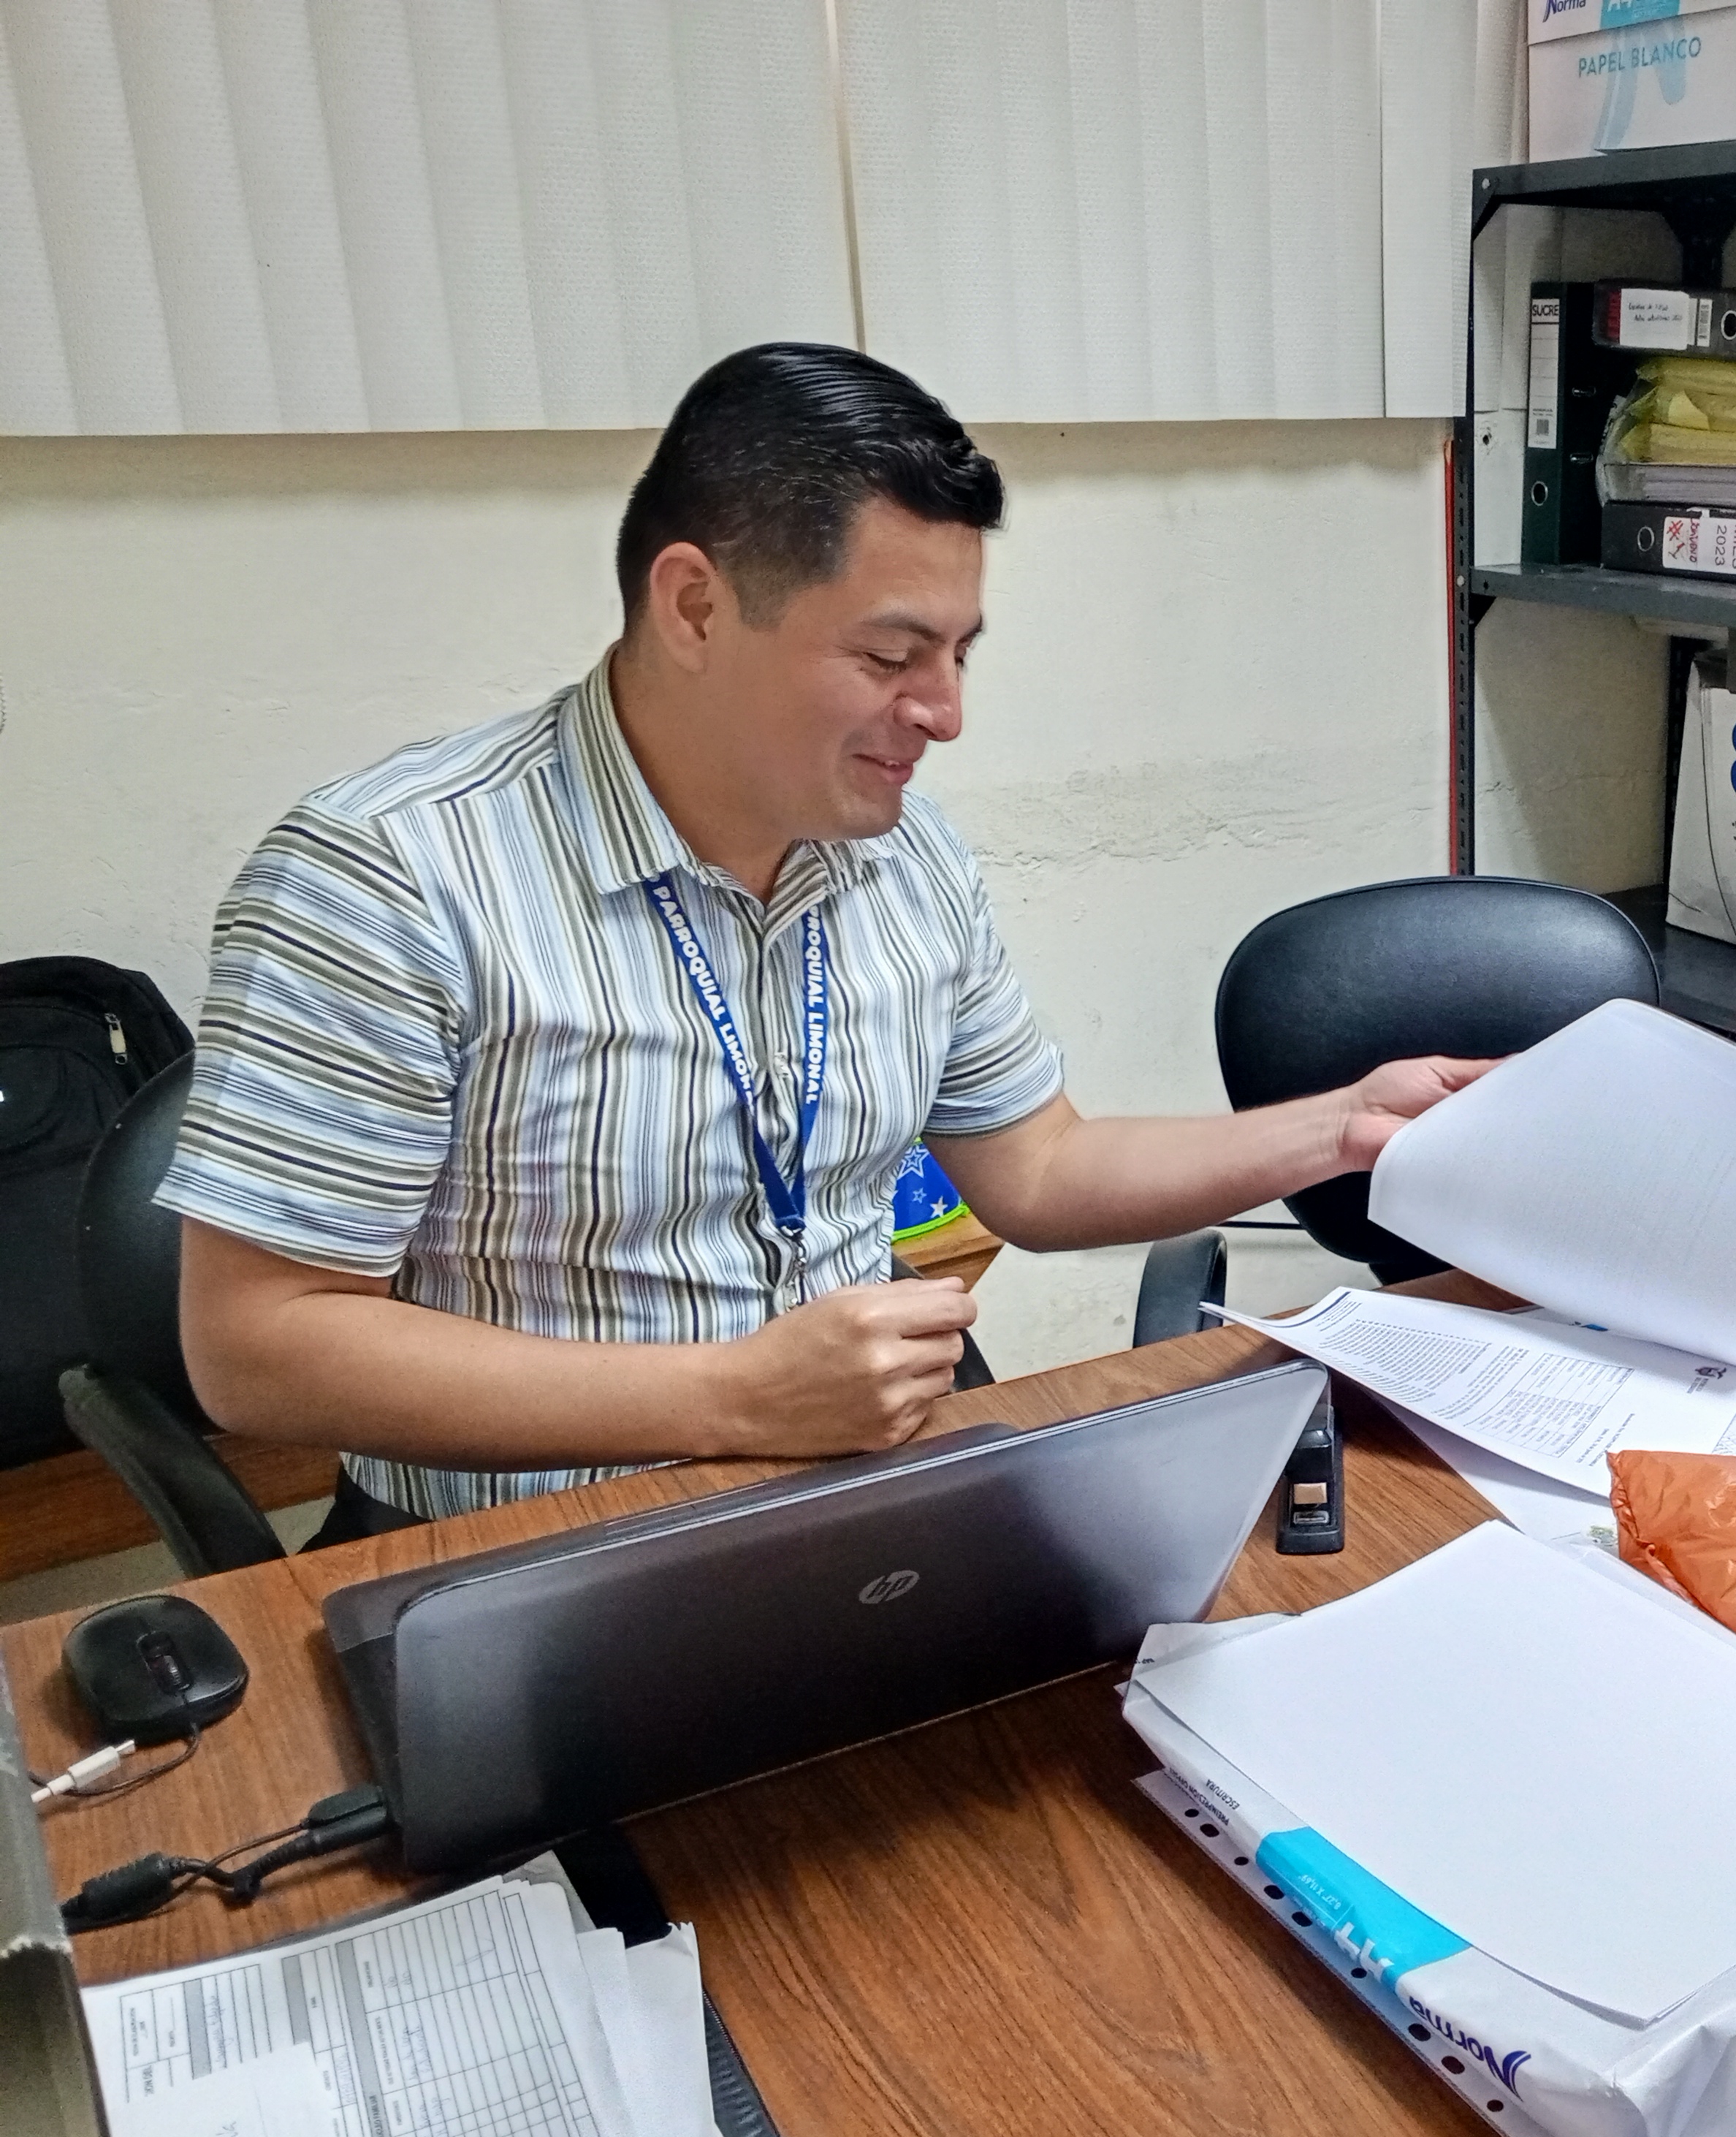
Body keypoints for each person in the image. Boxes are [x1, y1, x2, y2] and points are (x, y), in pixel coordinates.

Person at [164, 343, 1486, 1538]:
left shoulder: (905, 856)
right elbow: (257, 1346)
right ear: (695, 607)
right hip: (533, 1545)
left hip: (861, 1496)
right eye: (893, 655)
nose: (945, 713)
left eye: (961, 653)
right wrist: (734, 1397)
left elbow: (1039, 1167)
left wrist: (1344, 1126)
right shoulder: (392, 875)